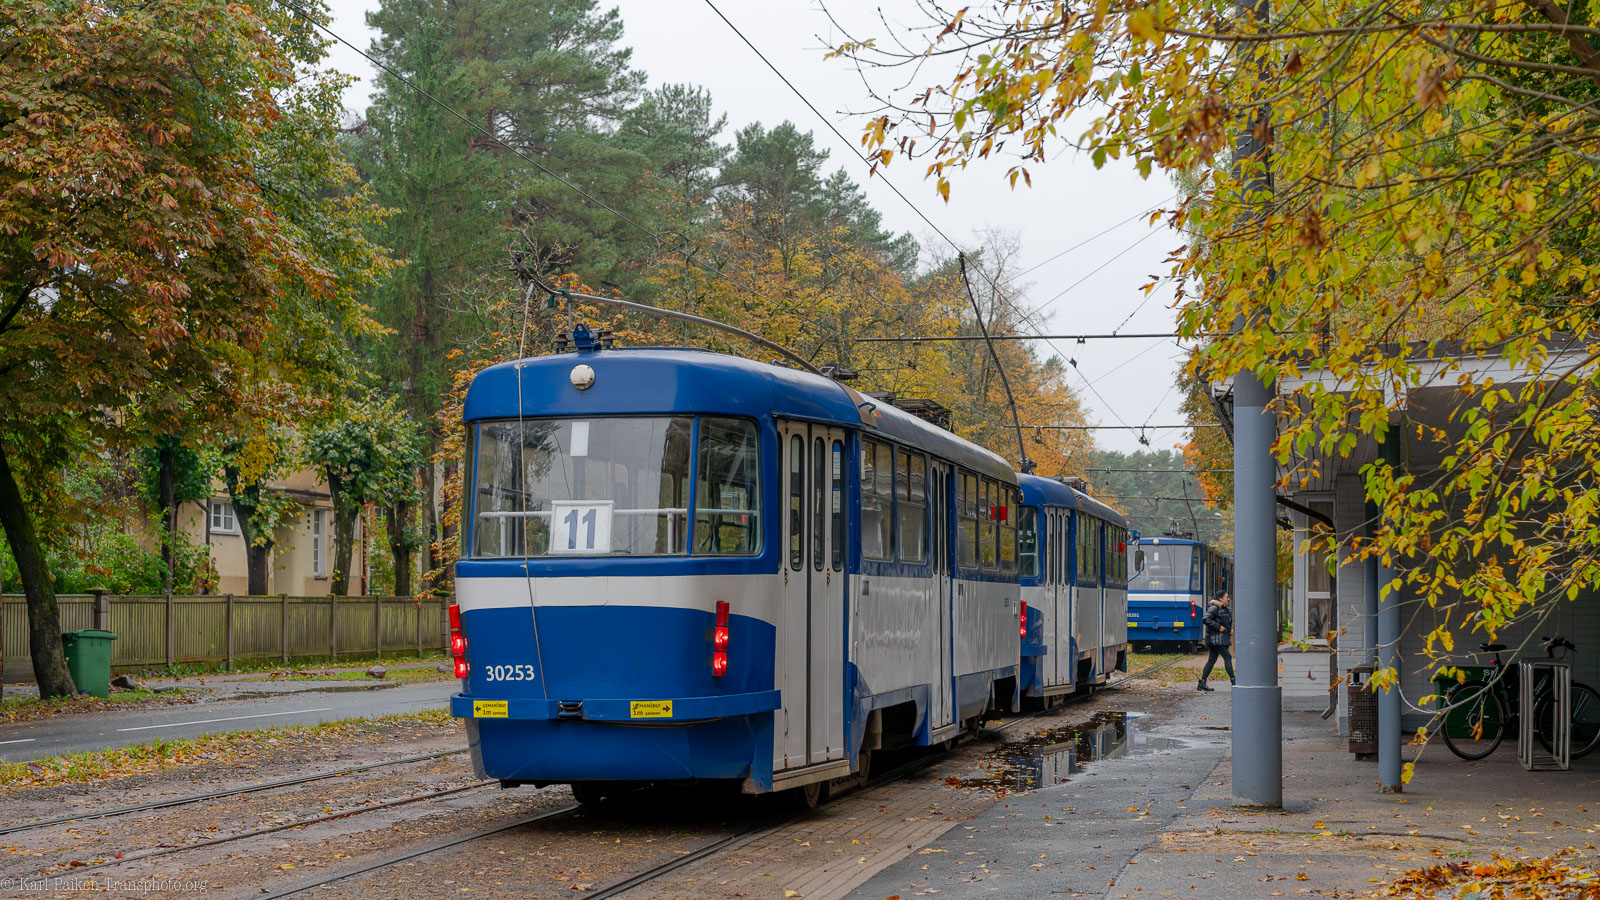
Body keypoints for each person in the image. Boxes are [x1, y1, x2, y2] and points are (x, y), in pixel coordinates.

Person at [1198, 589, 1235, 692]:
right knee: (1227, 657)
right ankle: (1233, 681)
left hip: (1219, 639)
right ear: (1220, 598)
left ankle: (1202, 682)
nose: (1228, 599)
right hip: (1217, 639)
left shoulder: (1224, 609)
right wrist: (1218, 627)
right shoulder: (1214, 607)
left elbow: (1223, 622)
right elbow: (1206, 619)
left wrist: (1229, 629)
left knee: (1212, 660)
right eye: (1226, 597)